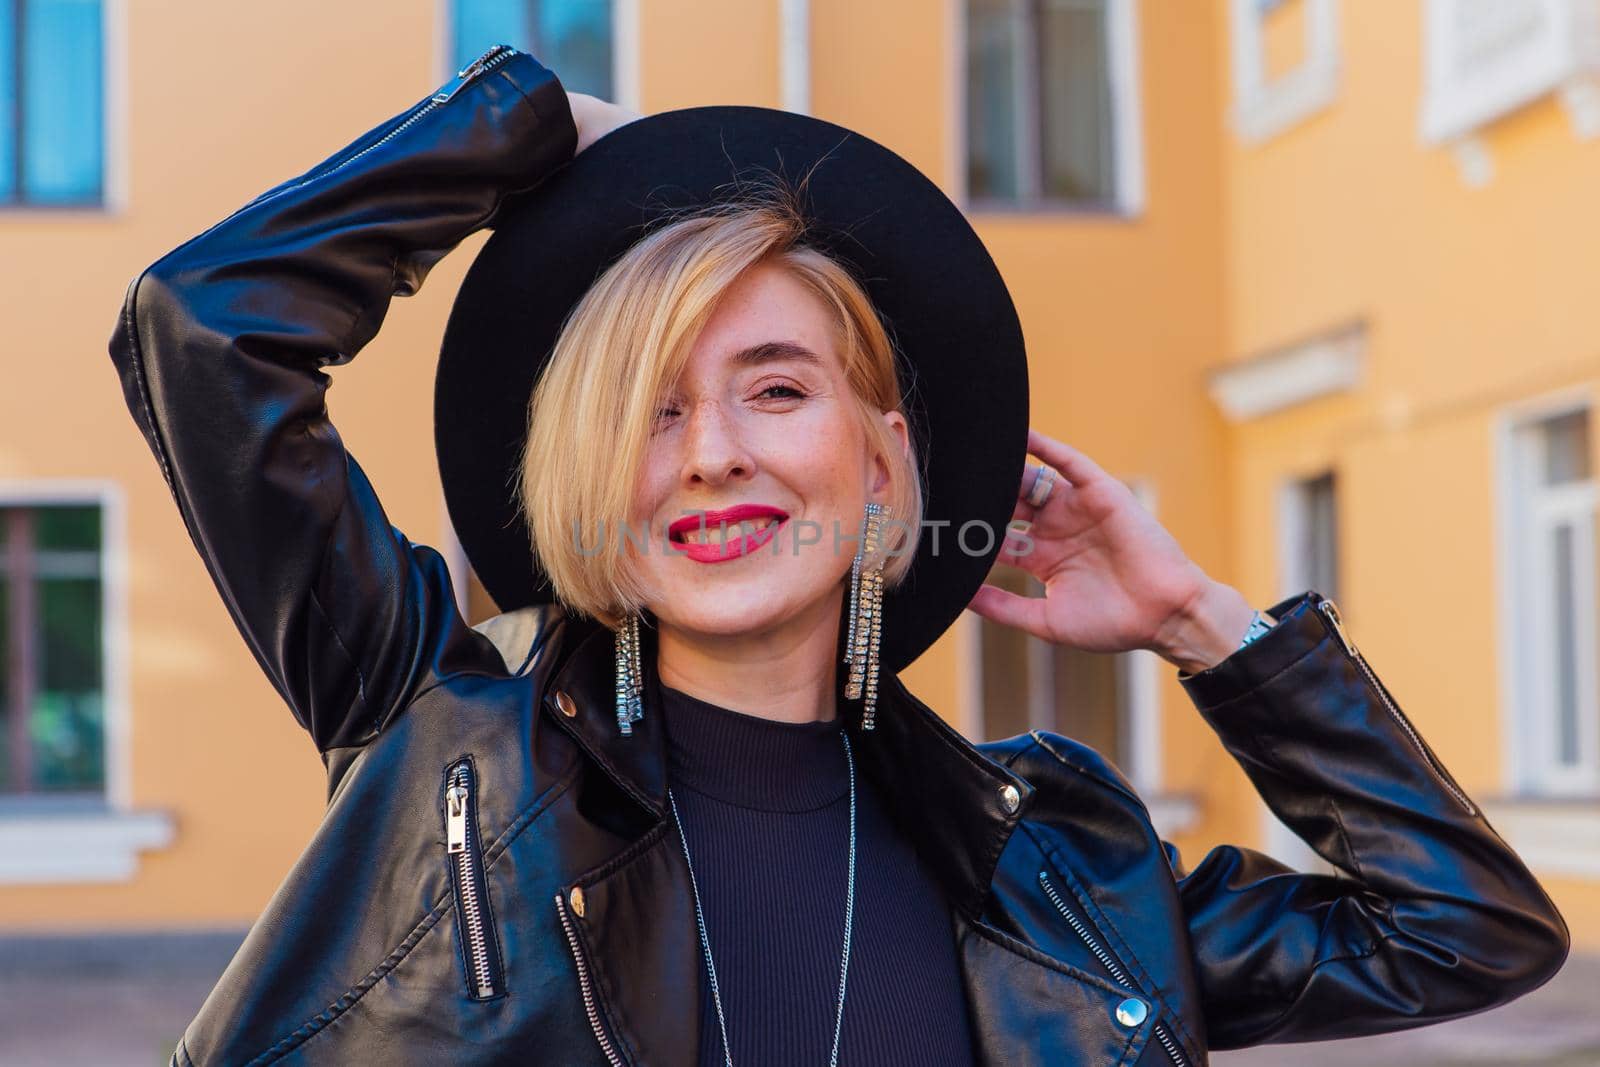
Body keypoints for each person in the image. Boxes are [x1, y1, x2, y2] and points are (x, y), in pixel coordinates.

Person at [108, 46, 1567, 1067]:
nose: (711, 450)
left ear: (882, 474)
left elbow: (1462, 931)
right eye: (650, 407)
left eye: (778, 387)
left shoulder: (1052, 875)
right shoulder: (433, 732)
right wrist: (538, 123)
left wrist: (1201, 622)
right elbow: (208, 327)